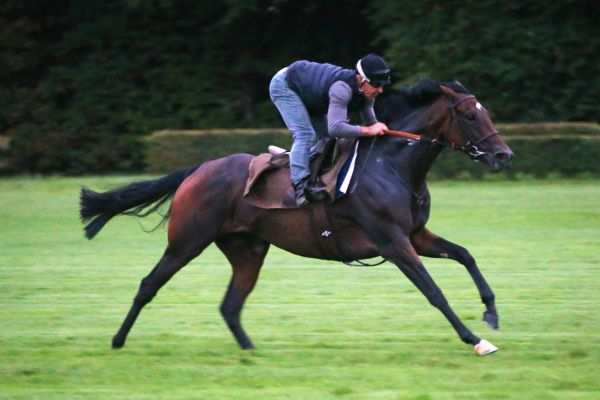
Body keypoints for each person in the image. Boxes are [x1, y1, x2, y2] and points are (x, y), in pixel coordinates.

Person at [269, 53, 391, 206]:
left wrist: (380, 131)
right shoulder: (341, 89)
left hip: (310, 94)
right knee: (305, 135)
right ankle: (300, 189)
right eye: (376, 84)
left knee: (325, 138)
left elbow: (371, 124)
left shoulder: (366, 93)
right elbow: (335, 128)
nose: (380, 90)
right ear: (361, 79)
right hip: (286, 85)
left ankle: (297, 160)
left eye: (382, 85)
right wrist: (368, 130)